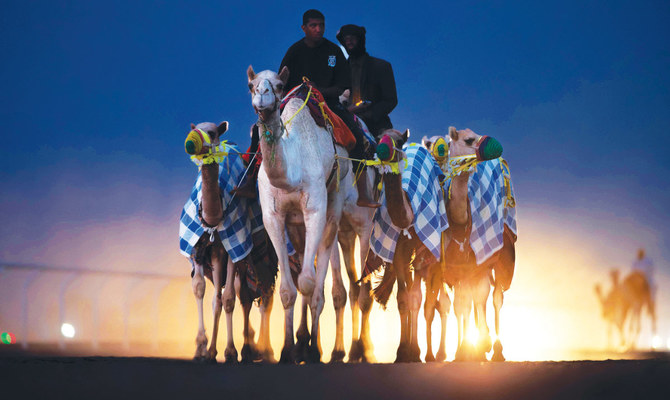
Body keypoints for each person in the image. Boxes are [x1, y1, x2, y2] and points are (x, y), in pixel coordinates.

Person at [278, 9, 380, 208]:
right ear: (304, 28)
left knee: (356, 134)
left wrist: (321, 90)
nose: (318, 29)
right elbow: (282, 80)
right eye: (313, 26)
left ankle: (363, 193)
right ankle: (251, 180)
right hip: (296, 103)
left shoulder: (333, 51)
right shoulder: (294, 51)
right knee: (262, 129)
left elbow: (344, 85)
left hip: (328, 104)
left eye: (321, 25)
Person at [336, 24, 398, 139]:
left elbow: (391, 100)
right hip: (345, 128)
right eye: (346, 39)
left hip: (378, 128)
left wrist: (367, 115)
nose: (349, 42)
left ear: (360, 40)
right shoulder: (339, 71)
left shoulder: (381, 67)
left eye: (352, 38)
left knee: (389, 149)